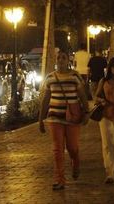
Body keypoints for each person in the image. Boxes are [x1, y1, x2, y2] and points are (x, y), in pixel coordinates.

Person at [39, 51, 90, 190]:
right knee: (57, 149)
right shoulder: (50, 77)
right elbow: (45, 99)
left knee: (72, 147)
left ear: (68, 60)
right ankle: (59, 179)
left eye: (63, 57)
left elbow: (82, 95)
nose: (60, 60)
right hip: (55, 117)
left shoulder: (75, 76)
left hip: (72, 117)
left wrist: (86, 112)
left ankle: (75, 161)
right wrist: (41, 119)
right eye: (58, 58)